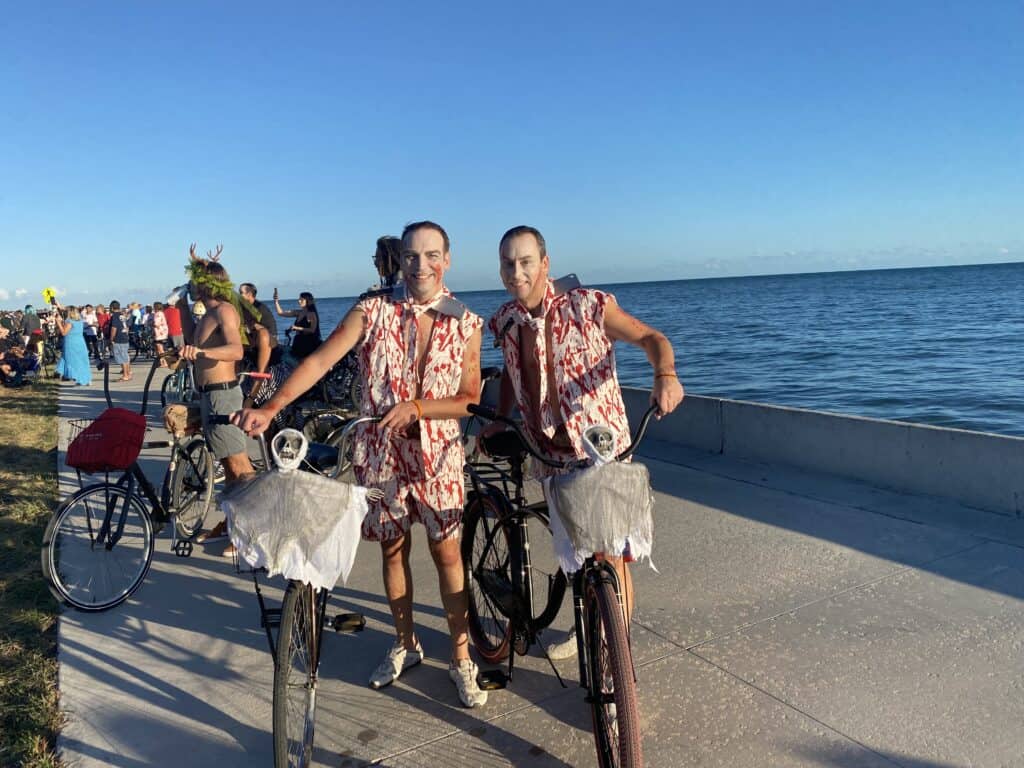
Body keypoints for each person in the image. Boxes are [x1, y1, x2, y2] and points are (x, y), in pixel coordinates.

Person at [235, 221, 488, 708]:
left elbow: (469, 398)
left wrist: (418, 408)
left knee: (448, 554)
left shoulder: (466, 322)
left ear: (448, 259)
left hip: (438, 455)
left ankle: (460, 657)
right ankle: (405, 642)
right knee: (392, 550)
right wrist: (270, 405)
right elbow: (320, 362)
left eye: (432, 255)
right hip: (381, 452)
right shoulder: (372, 310)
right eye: (412, 256)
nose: (422, 265)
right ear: (401, 259)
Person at [485, 225, 685, 658]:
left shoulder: (587, 305)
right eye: (508, 263)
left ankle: (615, 651)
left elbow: (652, 339)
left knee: (613, 554)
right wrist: (501, 419)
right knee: (579, 549)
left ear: (545, 264)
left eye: (525, 262)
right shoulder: (505, 320)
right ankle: (589, 623)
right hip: (549, 452)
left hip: (601, 448)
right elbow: (507, 372)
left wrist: (665, 375)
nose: (516, 272)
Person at [175, 245, 254, 555]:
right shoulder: (207, 313)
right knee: (226, 463)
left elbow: (236, 351)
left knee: (239, 465)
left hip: (224, 395)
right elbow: (194, 337)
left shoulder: (224, 311)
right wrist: (181, 306)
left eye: (194, 280)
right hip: (208, 396)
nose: (190, 284)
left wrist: (203, 353)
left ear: (204, 283)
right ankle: (232, 522)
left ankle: (248, 529)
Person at [273, 290, 321, 361]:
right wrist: (276, 301)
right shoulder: (299, 312)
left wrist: (297, 328)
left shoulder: (311, 314)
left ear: (307, 301)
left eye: (301, 299)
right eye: (299, 299)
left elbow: (312, 330)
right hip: (298, 341)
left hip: (308, 343)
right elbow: (281, 313)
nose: (299, 301)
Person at [53, 303, 92, 386]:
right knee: (82, 361)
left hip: (71, 344)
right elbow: (63, 309)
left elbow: (64, 333)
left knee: (72, 361)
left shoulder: (70, 321)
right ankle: (86, 379)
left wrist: (58, 322)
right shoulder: (80, 320)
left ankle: (77, 377)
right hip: (80, 343)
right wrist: (57, 304)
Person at [106, 301, 132, 382]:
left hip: (118, 339)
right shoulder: (122, 315)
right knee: (125, 357)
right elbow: (127, 326)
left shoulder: (115, 316)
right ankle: (128, 373)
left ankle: (125, 375)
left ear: (112, 308)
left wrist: (111, 339)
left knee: (121, 358)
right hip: (125, 337)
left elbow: (114, 328)